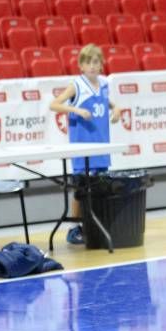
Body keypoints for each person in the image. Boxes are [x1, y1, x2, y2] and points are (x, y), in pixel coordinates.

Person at [49, 44, 120, 245]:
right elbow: (54, 104)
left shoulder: (104, 84)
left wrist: (116, 109)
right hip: (82, 147)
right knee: (81, 189)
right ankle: (74, 227)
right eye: (88, 62)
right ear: (81, 65)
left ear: (101, 65)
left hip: (101, 146)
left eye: (96, 62)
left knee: (99, 187)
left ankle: (95, 225)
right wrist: (76, 110)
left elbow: (107, 102)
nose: (92, 66)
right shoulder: (77, 85)